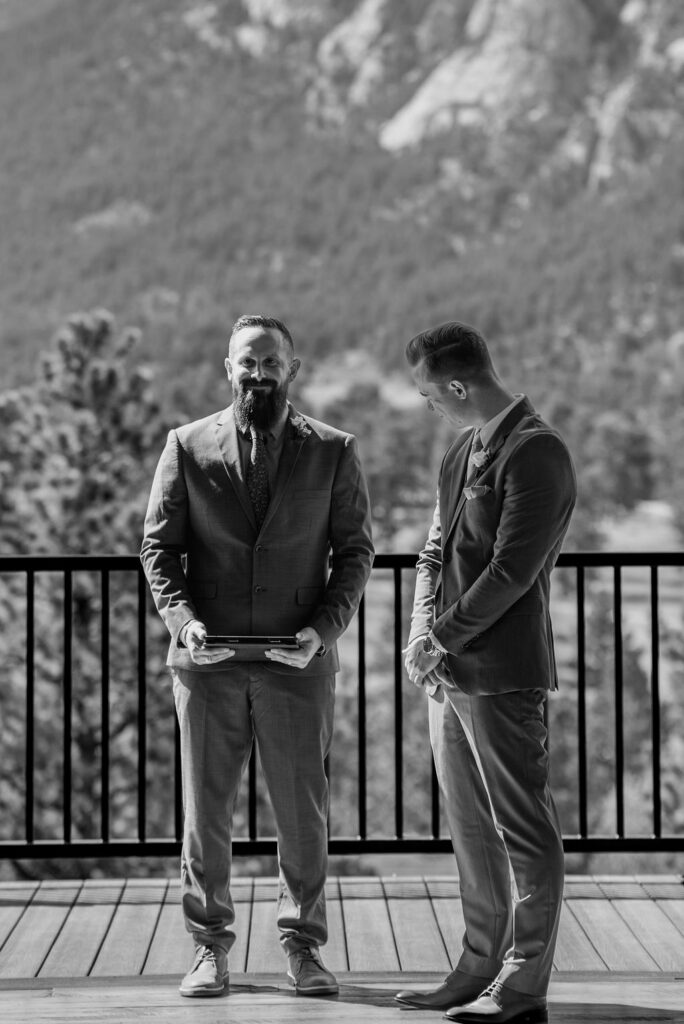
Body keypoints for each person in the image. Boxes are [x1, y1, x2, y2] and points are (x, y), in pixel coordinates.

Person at [141, 314, 373, 999]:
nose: (259, 372)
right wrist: (182, 625)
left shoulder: (334, 451)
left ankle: (304, 949)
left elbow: (355, 552)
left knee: (302, 811)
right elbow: (159, 549)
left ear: (292, 370)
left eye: (271, 361)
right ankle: (208, 947)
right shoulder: (186, 446)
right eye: (248, 361)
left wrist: (323, 631)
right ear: (227, 367)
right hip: (206, 664)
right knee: (204, 812)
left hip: (297, 662)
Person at [395, 321, 576, 1024]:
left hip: (503, 676)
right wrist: (420, 631)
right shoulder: (462, 449)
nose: (428, 406)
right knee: (471, 831)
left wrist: (437, 638)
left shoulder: (538, 453)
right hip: (448, 677)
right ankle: (475, 968)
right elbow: (435, 550)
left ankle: (523, 982)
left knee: (523, 829)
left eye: (429, 395)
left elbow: (509, 573)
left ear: (459, 385)